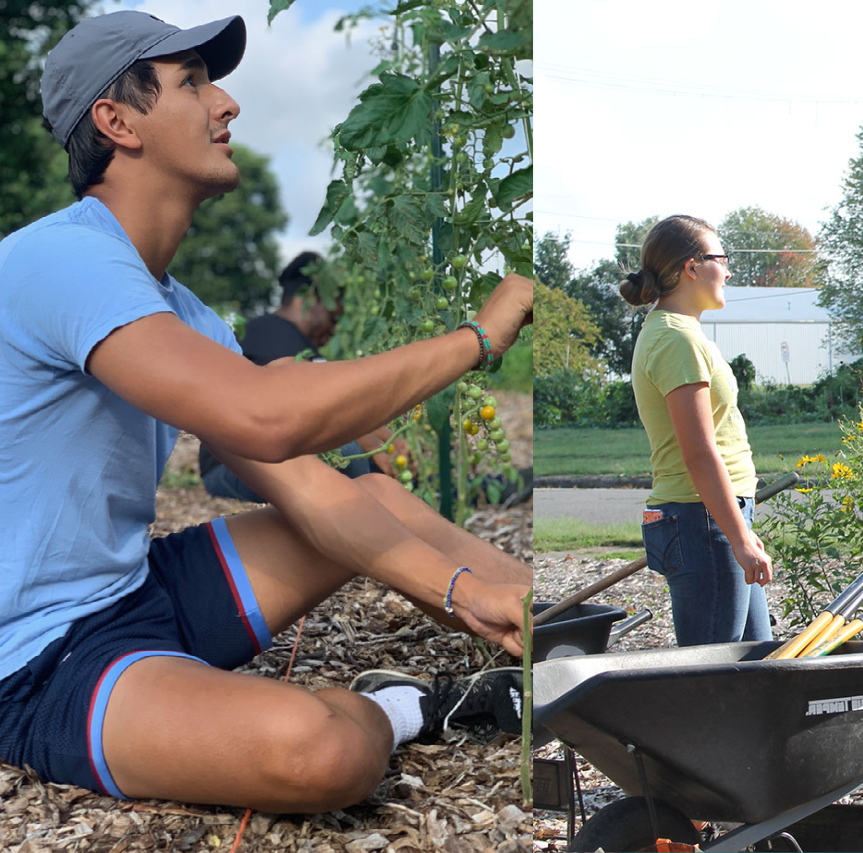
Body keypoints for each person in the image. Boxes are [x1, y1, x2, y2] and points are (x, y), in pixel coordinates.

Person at [0, 11, 536, 813]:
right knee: (322, 752)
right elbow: (265, 416)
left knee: (375, 497)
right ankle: (401, 706)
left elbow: (308, 486)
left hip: (137, 591)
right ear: (116, 122)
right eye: (192, 83)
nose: (228, 105)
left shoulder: (180, 312)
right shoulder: (55, 257)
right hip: (37, 655)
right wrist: (477, 338)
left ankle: (560, 641)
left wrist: (466, 593)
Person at [622, 216, 774, 647]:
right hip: (699, 518)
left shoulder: (681, 334)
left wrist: (739, 525)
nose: (727, 272)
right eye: (721, 259)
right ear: (692, 267)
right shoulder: (676, 340)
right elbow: (700, 453)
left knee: (756, 664)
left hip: (712, 516)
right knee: (713, 675)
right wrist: (735, 534)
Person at [199, 251, 402, 502]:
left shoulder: (297, 343)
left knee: (357, 456)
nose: (334, 328)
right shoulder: (269, 335)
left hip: (260, 459)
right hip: (230, 467)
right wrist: (370, 442)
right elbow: (308, 407)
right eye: (333, 317)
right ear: (309, 298)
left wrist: (389, 439)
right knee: (344, 453)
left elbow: (339, 403)